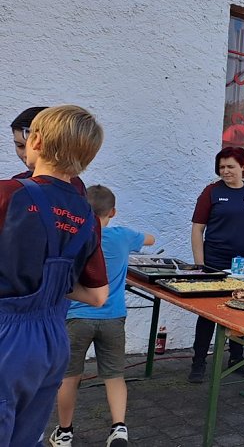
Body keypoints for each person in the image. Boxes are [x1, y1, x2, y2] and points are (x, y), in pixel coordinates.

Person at [0, 105, 109, 446]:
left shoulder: (8, 194)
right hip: (51, 341)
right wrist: (51, 286)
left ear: (35, 141)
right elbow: (97, 296)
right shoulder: (88, 216)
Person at [49, 185, 155, 447]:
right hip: (112, 317)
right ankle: (118, 429)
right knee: (114, 375)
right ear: (113, 212)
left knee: (69, 377)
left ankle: (64, 432)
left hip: (76, 317)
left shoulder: (73, 236)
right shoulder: (123, 236)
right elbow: (151, 240)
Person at [189, 146, 244, 383]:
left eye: (230, 166)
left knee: (241, 310)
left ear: (243, 167)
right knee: (208, 315)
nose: (225, 171)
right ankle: (198, 362)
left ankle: (237, 358)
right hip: (215, 264)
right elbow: (197, 230)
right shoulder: (211, 192)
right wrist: (200, 265)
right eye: (221, 167)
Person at [10, 106, 87, 194]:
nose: (26, 154)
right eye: (20, 146)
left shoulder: (74, 186)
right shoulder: (14, 184)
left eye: (38, 145)